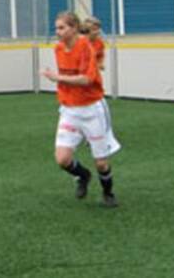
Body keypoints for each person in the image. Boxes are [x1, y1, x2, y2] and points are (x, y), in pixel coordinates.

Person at [42, 11, 120, 208]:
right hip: (70, 110)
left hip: (92, 109)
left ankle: (108, 193)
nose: (57, 32)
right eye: (56, 28)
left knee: (101, 162)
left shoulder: (85, 46)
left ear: (74, 28)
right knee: (62, 159)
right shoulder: (59, 49)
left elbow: (86, 79)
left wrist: (57, 78)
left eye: (61, 27)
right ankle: (83, 176)